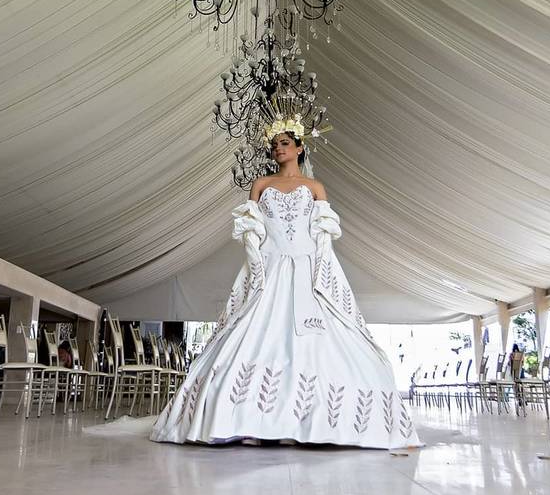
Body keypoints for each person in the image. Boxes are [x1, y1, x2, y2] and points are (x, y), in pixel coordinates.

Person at [149, 115, 421, 449]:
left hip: (308, 267)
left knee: (319, 343)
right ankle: (246, 419)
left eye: (285, 144)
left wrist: (322, 274)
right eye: (275, 145)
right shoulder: (261, 185)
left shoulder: (315, 188)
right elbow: (252, 230)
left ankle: (320, 422)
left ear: (300, 148)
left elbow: (323, 236)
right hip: (270, 266)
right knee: (254, 337)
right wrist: (258, 266)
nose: (278, 149)